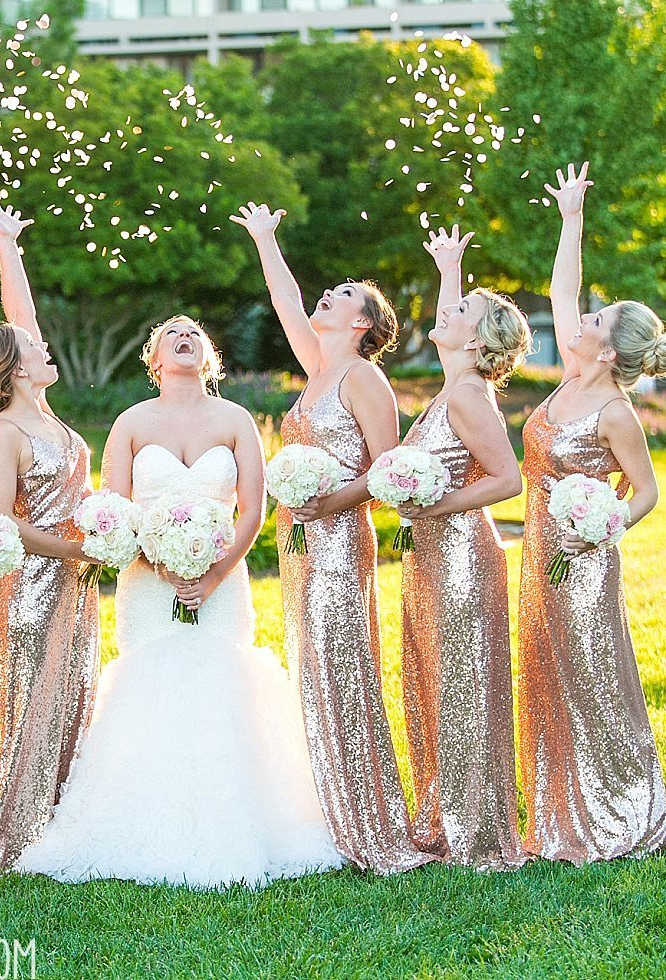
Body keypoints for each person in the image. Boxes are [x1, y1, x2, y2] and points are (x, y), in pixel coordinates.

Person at [16, 316, 345, 888]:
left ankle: (233, 824)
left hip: (223, 581)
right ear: (156, 358)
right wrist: (156, 561)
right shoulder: (131, 423)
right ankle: (144, 824)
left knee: (222, 685)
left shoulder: (238, 419)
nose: (185, 336)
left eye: (194, 330)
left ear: (208, 353)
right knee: (152, 688)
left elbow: (253, 511)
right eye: (172, 334)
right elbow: (114, 511)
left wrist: (214, 575)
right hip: (148, 582)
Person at [232, 202, 432, 874]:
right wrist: (266, 238)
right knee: (311, 668)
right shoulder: (319, 363)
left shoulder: (364, 377)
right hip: (301, 545)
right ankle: (325, 812)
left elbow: (390, 470)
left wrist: (326, 503)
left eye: (344, 294)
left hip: (341, 545)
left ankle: (363, 821)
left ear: (365, 323)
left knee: (341, 670)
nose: (328, 293)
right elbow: (285, 295)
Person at [518, 162, 666, 863]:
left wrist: (603, 526)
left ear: (605, 347)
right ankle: (561, 808)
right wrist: (570, 217)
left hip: (582, 562)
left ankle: (622, 802)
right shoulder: (574, 379)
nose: (581, 315)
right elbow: (561, 287)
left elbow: (646, 492)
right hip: (535, 558)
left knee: (593, 677)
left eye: (595, 319)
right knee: (548, 672)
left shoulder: (615, 412)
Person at [0, 202, 99, 878]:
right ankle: (11, 842)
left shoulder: (48, 415)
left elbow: (24, 318)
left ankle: (59, 832)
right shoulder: (6, 433)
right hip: (37, 584)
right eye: (34, 350)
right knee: (28, 706)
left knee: (73, 696)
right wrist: (72, 548)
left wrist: (8, 244)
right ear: (16, 370)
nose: (44, 347)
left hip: (78, 580)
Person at [399, 225, 530, 870]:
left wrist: (437, 504)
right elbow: (453, 325)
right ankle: (442, 813)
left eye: (459, 311)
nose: (443, 312)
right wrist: (450, 266)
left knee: (464, 686)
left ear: (476, 340)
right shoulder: (455, 386)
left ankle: (475, 830)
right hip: (430, 556)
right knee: (434, 681)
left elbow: (508, 479)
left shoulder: (472, 398)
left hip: (460, 556)